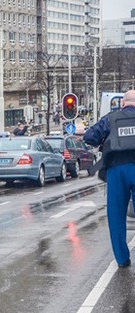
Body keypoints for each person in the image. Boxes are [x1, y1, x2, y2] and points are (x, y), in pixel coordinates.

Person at [83, 89, 135, 269]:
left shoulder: (111, 118)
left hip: (116, 170)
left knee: (116, 216)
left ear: (123, 103)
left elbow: (89, 136)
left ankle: (122, 259)